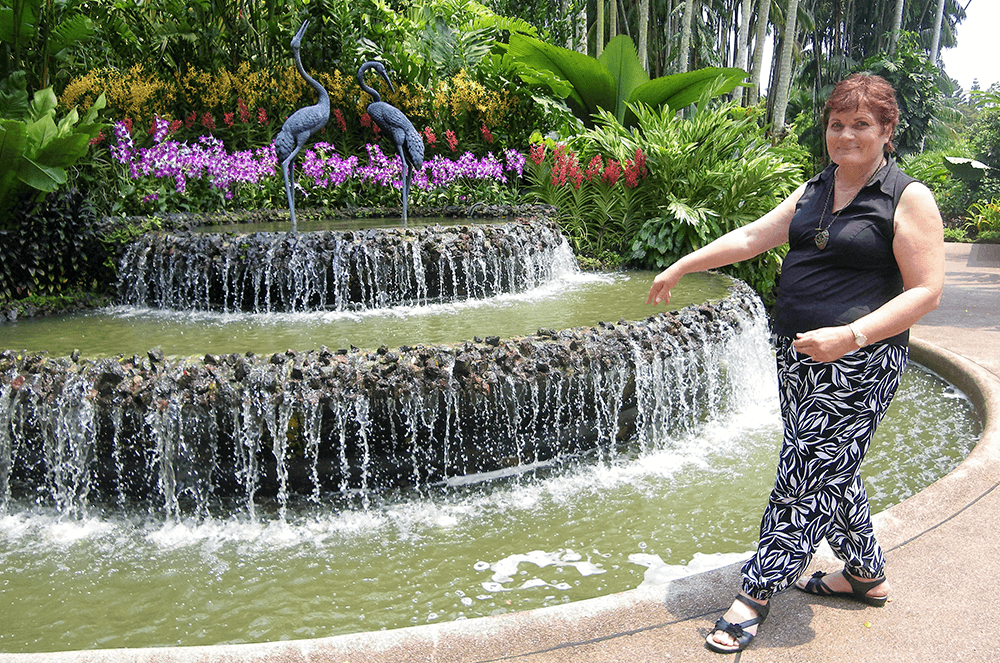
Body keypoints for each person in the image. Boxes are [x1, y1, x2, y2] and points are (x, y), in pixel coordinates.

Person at [646, 73, 944, 654]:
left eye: (861, 124)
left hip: (862, 361)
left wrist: (851, 335)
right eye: (837, 123)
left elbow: (927, 291)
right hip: (797, 354)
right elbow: (756, 236)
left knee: (802, 476)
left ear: (887, 130)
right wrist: (684, 263)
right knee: (830, 471)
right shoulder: (816, 188)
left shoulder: (907, 197)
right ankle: (865, 575)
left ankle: (754, 595)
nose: (846, 134)